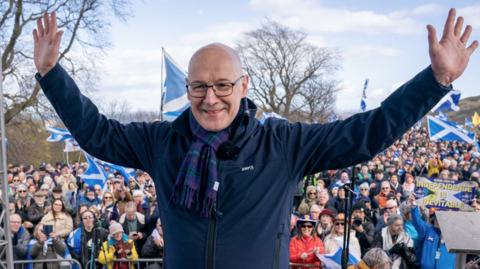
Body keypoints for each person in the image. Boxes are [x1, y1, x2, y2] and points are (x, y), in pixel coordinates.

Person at [33, 9, 478, 268]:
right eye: (199, 87)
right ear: (187, 89)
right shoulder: (162, 143)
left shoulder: (282, 144)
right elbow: (96, 132)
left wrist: (435, 80)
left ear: (243, 87)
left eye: (222, 85)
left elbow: (366, 133)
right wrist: (52, 75)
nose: (211, 99)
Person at [408, 193, 455, 269]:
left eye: (439, 219)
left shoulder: (454, 234)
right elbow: (417, 221)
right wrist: (414, 206)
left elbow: (468, 227)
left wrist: (472, 210)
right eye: (435, 218)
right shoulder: (428, 230)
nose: (436, 221)